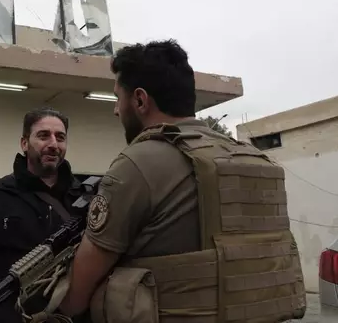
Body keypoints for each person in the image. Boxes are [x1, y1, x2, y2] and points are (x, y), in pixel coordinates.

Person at [58, 40, 306, 322]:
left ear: (139, 100)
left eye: (118, 98)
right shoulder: (253, 159)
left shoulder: (137, 163)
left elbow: (75, 298)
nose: (116, 110)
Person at [0, 107, 84, 323]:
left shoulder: (85, 201)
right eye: (43, 136)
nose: (53, 144)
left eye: (60, 137)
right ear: (24, 143)